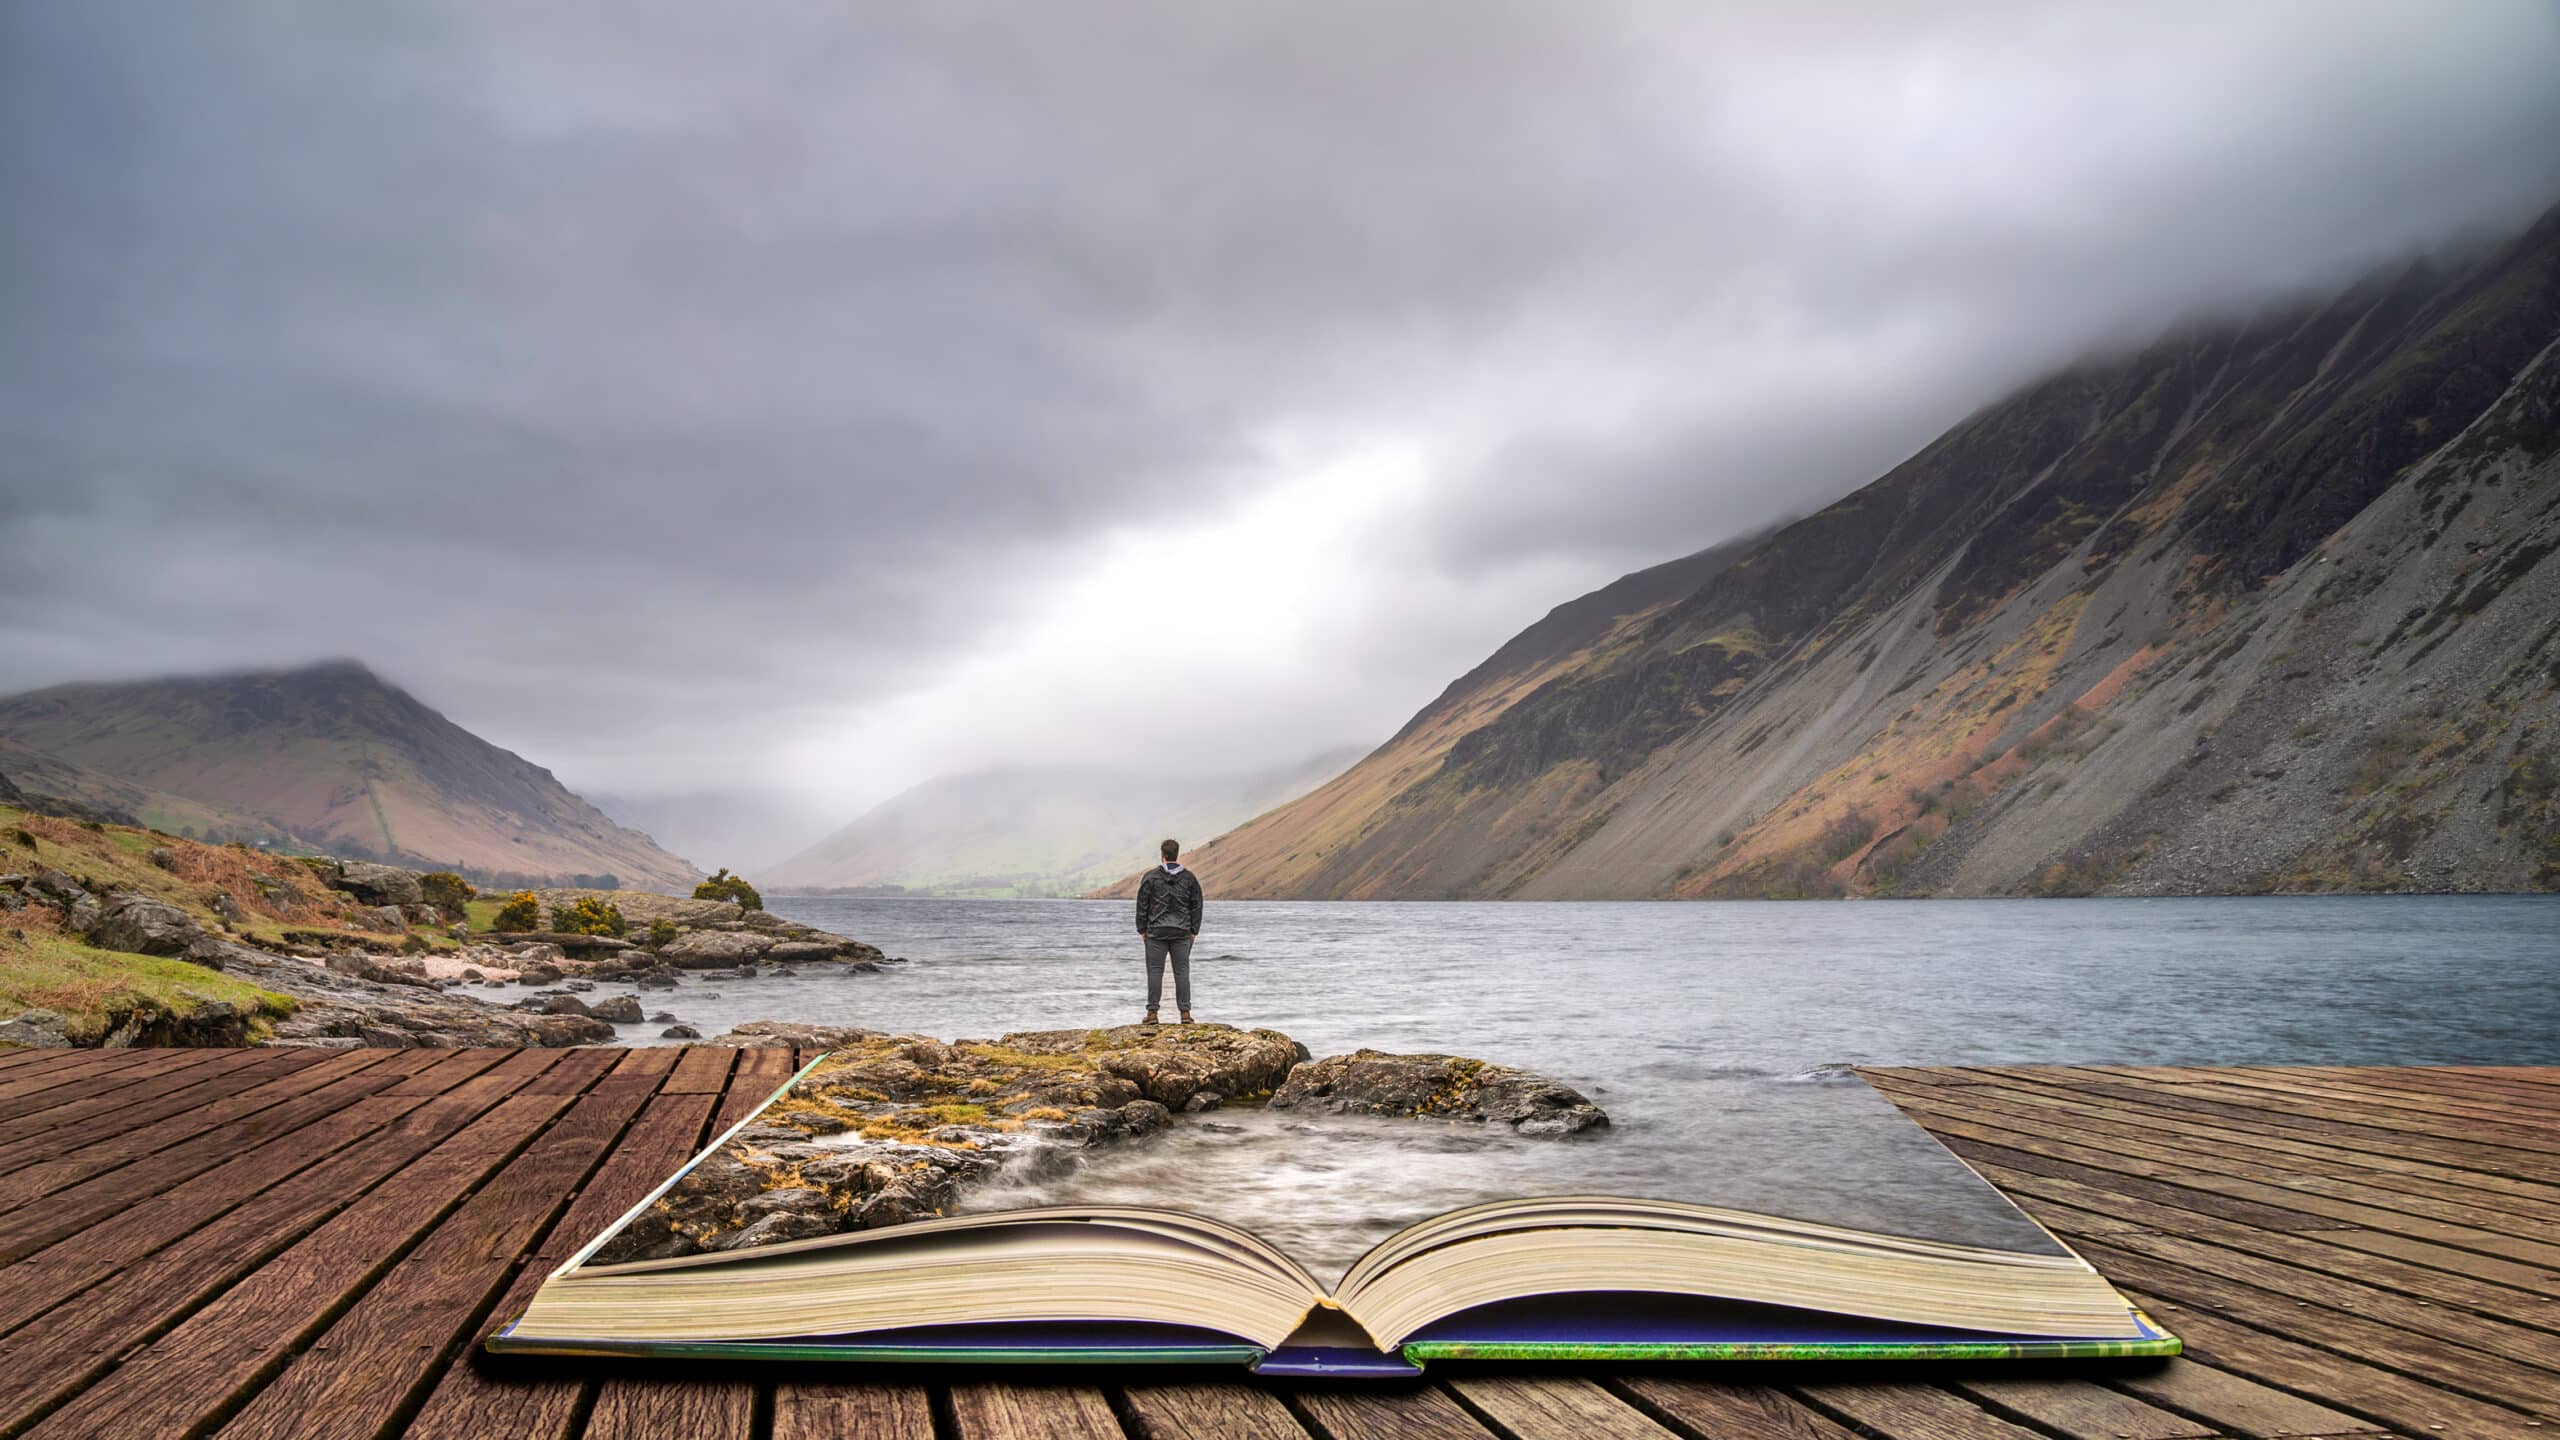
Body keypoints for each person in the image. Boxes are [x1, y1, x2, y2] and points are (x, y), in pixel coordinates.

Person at [1135, 837, 1203, 1026]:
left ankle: (1152, 1013)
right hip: (1182, 931)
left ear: (1162, 855)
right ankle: (1185, 1014)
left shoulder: (1150, 877)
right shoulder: (1189, 878)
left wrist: (1142, 929)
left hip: (1155, 931)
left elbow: (1142, 904)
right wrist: (1194, 930)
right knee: (1182, 972)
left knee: (1155, 972)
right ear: (1176, 854)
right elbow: (1197, 905)